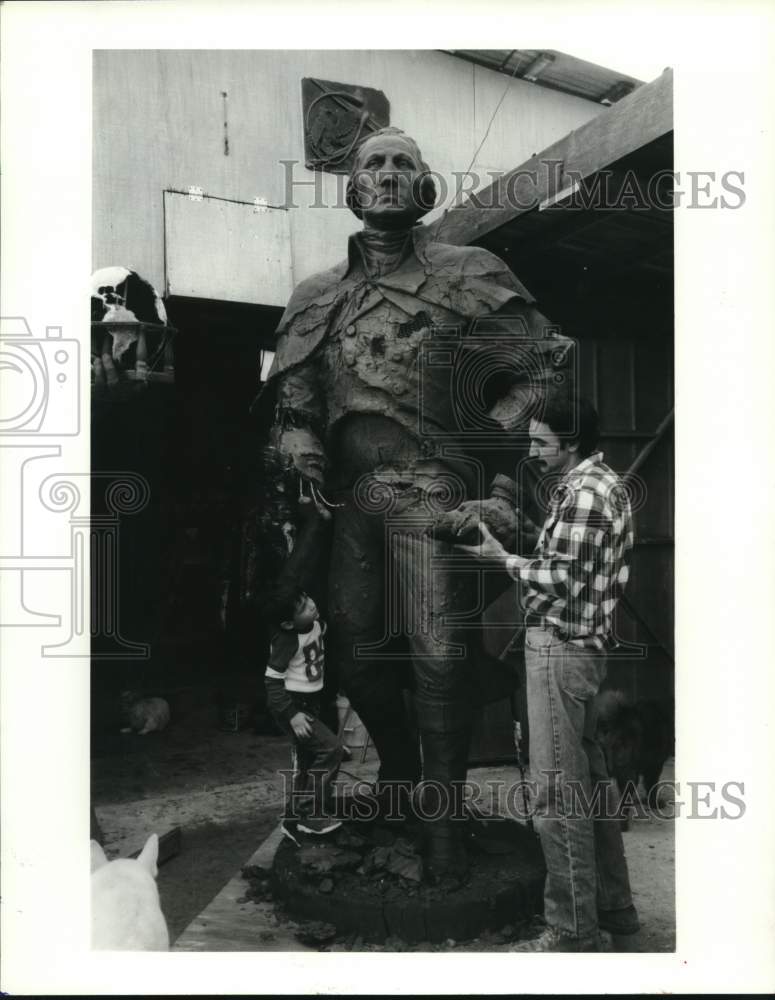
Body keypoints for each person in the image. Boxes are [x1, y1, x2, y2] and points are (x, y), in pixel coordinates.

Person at [255, 125, 568, 878]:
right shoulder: (316, 293)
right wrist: (297, 437)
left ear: (424, 185)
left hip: (428, 484)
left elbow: (544, 363)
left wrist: (485, 439)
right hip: (346, 499)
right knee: (357, 659)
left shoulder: (469, 270)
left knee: (437, 658)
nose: (388, 174)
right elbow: (294, 398)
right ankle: (402, 777)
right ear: (353, 187)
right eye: (373, 164)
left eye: (403, 163)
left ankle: (442, 830)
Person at [456, 392, 640, 951]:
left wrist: (500, 560)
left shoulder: (584, 494)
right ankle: (614, 907)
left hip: (561, 651)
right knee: (592, 782)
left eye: (541, 442)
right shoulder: (599, 485)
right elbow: (569, 561)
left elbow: (559, 577)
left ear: (572, 442)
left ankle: (572, 929)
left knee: (556, 792)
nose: (533, 450)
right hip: (580, 650)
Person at [264, 585, 344, 839]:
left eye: (307, 598)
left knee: (307, 759)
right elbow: (272, 682)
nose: (310, 604)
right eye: (302, 608)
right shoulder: (286, 640)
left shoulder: (316, 624)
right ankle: (311, 813)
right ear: (288, 624)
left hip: (311, 703)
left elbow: (320, 633)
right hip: (294, 706)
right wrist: (292, 714)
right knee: (331, 750)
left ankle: (293, 819)